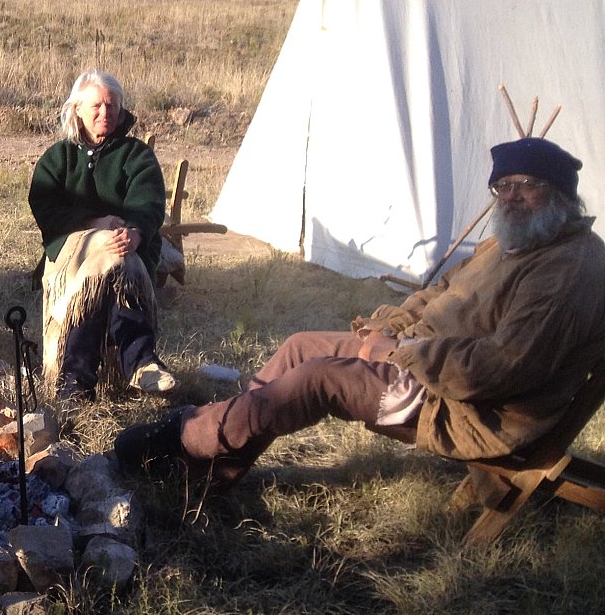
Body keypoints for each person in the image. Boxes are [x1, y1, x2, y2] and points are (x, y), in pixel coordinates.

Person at [116, 137, 605, 494]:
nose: (513, 196)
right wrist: (389, 326)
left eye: (529, 185)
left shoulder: (564, 272)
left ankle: (188, 436)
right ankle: (211, 473)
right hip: (428, 367)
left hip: (469, 409)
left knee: (316, 379)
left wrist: (402, 351)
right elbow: (441, 291)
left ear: (561, 194)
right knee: (301, 346)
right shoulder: (517, 241)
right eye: (504, 186)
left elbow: (503, 367)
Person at [29, 70, 176, 398]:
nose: (105, 113)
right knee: (108, 250)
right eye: (96, 105)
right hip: (71, 248)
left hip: (129, 248)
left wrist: (135, 233)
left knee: (115, 254)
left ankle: (75, 378)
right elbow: (45, 208)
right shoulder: (58, 157)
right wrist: (96, 222)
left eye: (112, 106)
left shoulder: (137, 155)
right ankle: (139, 359)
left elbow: (149, 204)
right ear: (77, 109)